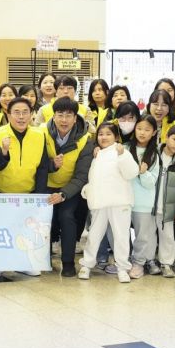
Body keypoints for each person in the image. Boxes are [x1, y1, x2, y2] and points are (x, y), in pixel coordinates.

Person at [0, 97, 49, 278]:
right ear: (8, 114)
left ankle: (23, 263)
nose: (21, 117)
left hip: (28, 193)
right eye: (16, 112)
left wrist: (39, 197)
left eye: (25, 112)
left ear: (32, 114)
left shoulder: (40, 135)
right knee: (3, 230)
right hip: (2, 193)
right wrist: (4, 151)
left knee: (24, 231)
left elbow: (43, 167)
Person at [78, 122, 139, 283]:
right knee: (94, 235)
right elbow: (94, 177)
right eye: (101, 134)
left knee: (121, 236)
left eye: (108, 134)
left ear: (116, 136)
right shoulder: (97, 154)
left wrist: (122, 156)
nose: (103, 137)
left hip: (120, 202)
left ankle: (122, 268)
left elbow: (132, 173)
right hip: (99, 202)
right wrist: (89, 190)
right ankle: (87, 264)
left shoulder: (122, 151)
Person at [43, 97, 94, 277]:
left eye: (69, 115)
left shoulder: (86, 140)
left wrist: (63, 194)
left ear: (75, 118)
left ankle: (68, 262)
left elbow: (82, 176)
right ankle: (42, 259)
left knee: (67, 216)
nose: (64, 120)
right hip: (45, 185)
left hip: (69, 188)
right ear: (53, 116)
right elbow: (38, 165)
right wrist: (51, 165)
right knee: (43, 219)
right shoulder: (41, 133)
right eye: (60, 115)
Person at [149, 124, 175, 278]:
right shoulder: (152, 153)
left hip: (168, 208)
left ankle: (166, 263)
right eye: (174, 139)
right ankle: (149, 261)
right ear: (167, 136)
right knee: (148, 235)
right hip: (149, 206)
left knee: (167, 237)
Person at [125, 115, 161, 279]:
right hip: (124, 200)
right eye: (139, 128)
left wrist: (144, 172)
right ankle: (123, 261)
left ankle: (138, 263)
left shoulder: (155, 154)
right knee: (121, 234)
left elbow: (150, 183)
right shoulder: (125, 148)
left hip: (143, 203)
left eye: (147, 129)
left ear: (154, 132)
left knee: (142, 236)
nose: (142, 132)